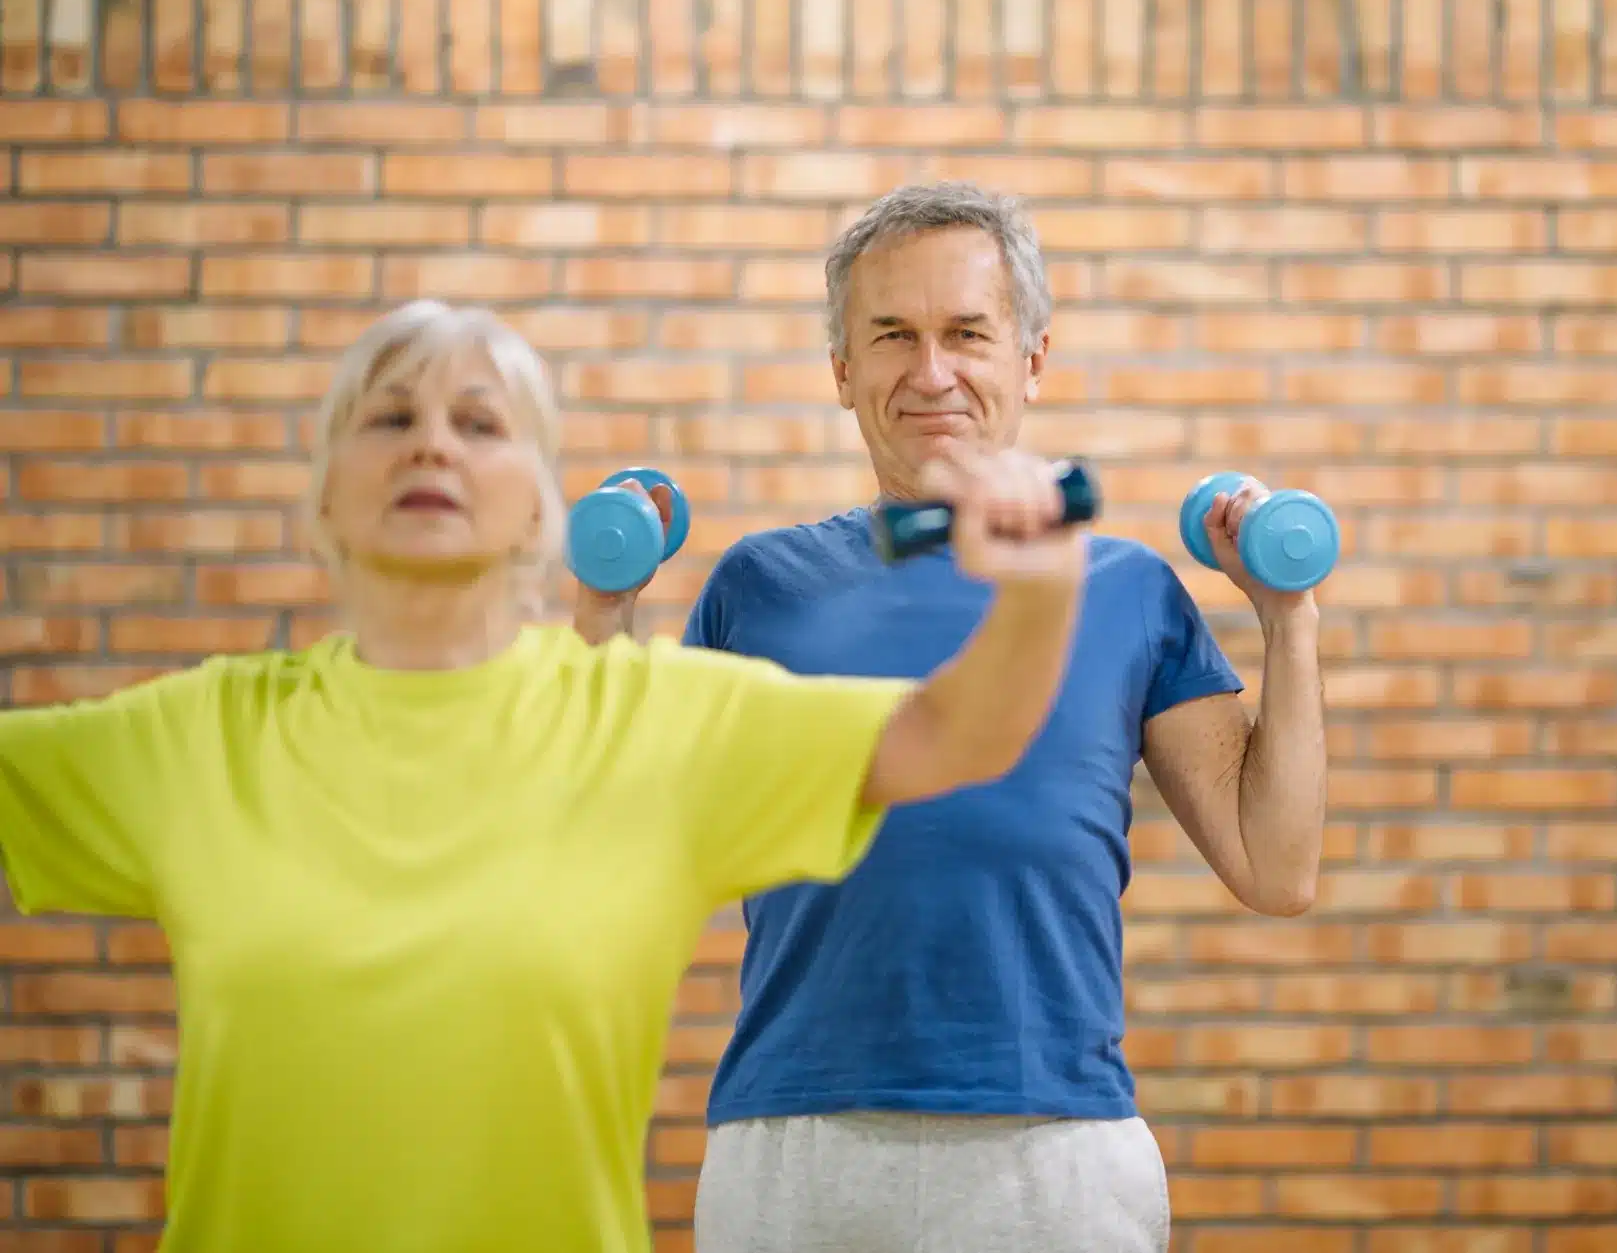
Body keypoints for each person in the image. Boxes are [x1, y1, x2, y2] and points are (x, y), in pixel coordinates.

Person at [0, 298, 1092, 1253]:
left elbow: (955, 734)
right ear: (325, 493)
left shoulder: (652, 724)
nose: (431, 445)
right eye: (389, 418)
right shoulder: (198, 742)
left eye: (478, 424)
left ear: (540, 507)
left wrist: (1039, 593)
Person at [572, 182, 1330, 1252]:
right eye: (891, 336)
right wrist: (604, 613)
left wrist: (1286, 619)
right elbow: (613, 835)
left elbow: (1276, 867)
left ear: (1031, 356)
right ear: (842, 371)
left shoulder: (1122, 587)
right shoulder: (760, 584)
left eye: (966, 333)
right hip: (798, 1145)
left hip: (1054, 1150)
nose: (931, 373)